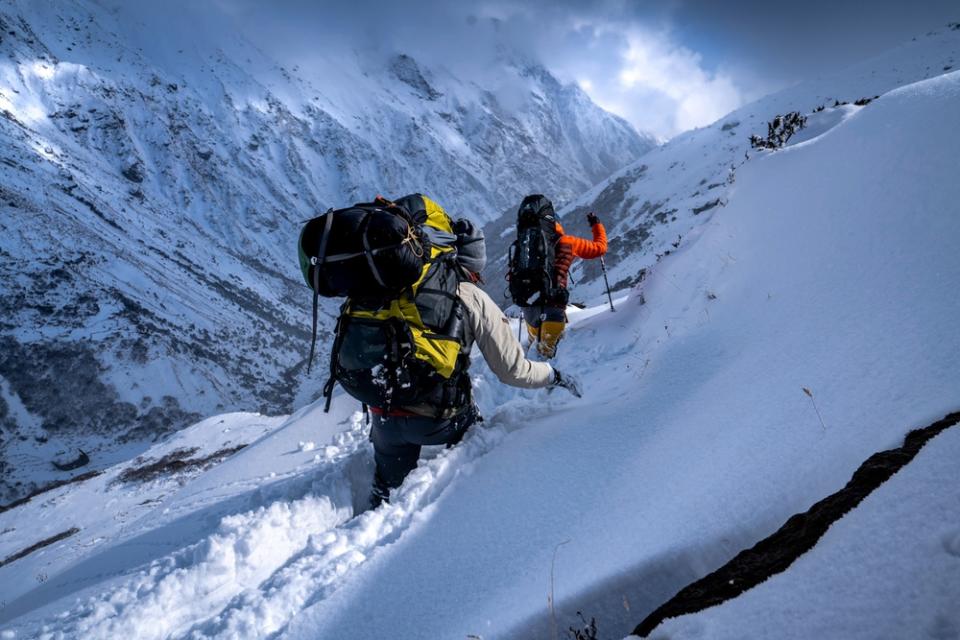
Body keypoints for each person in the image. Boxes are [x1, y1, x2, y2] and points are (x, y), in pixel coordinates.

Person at [367, 216, 582, 507]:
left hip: (383, 415)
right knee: (479, 438)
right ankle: (463, 504)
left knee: (386, 490)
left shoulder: (390, 285)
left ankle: (377, 503)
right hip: (437, 419)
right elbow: (513, 371)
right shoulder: (471, 296)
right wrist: (552, 374)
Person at [518, 195, 607, 358]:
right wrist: (596, 225)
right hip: (554, 308)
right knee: (547, 358)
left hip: (528, 308)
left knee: (532, 357)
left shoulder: (523, 243)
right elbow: (599, 248)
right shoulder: (568, 242)